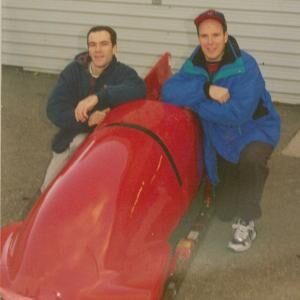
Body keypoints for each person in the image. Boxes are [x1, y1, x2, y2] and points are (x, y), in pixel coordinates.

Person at [162, 9, 280, 252]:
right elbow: (169, 91)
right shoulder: (195, 63)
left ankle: (247, 221)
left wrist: (194, 103)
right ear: (198, 38)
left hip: (255, 129)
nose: (210, 42)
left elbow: (237, 113)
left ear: (226, 36)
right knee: (224, 211)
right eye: (204, 36)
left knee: (251, 161)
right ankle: (237, 194)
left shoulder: (245, 65)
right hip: (222, 135)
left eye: (216, 35)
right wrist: (207, 90)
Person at [41, 25, 146, 191]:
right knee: (47, 192)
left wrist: (98, 97)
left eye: (104, 44)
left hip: (107, 146)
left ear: (115, 48)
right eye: (92, 44)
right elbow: (54, 109)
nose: (97, 50)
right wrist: (89, 120)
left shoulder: (124, 73)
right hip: (70, 139)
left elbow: (139, 89)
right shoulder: (73, 71)